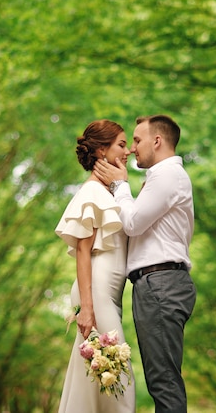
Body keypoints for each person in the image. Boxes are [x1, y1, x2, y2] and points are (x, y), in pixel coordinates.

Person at [94, 114, 197, 413]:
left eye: (137, 140)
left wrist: (119, 185)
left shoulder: (168, 175)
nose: (131, 149)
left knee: (163, 380)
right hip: (158, 284)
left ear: (157, 140)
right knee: (160, 379)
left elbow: (134, 222)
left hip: (161, 284)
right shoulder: (160, 178)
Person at [55, 119, 135, 413]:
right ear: (102, 151)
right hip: (95, 295)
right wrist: (87, 308)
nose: (129, 152)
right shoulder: (91, 194)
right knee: (119, 385)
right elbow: (82, 252)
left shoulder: (111, 193)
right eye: (122, 145)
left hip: (108, 296)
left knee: (98, 388)